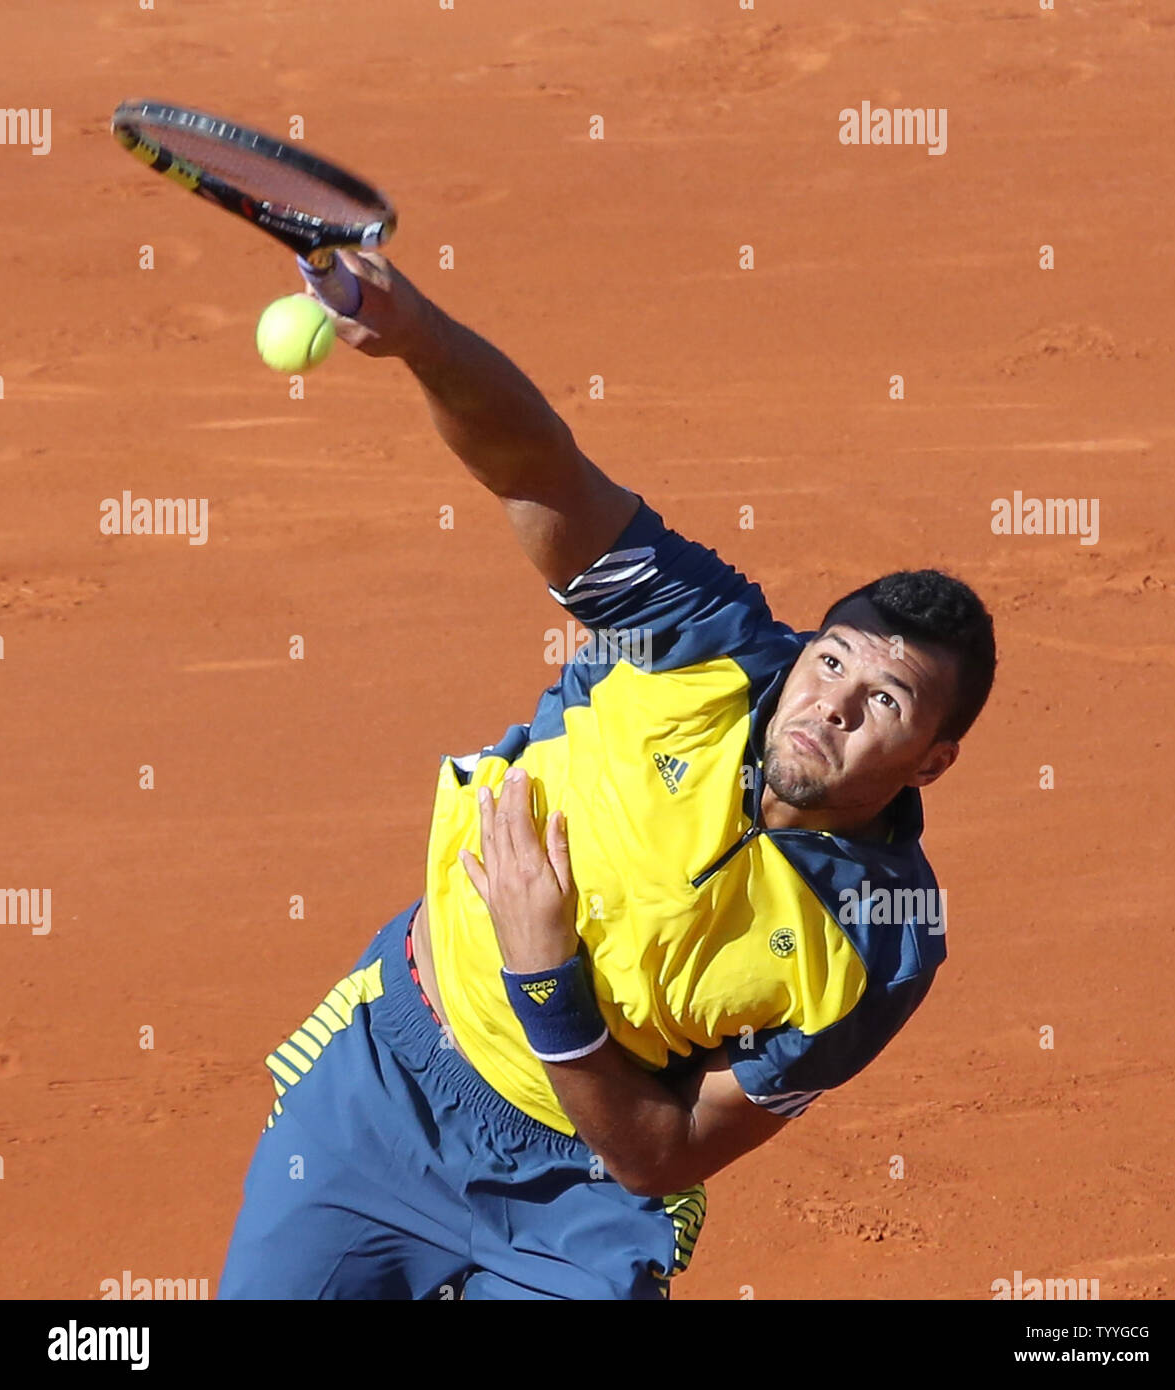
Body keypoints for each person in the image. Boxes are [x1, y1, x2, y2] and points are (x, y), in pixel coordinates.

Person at [218, 252, 997, 1301]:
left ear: (933, 761)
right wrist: (418, 337)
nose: (833, 704)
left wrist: (546, 980)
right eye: (830, 658)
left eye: (886, 702)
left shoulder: (880, 936)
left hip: (585, 1190)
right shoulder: (695, 640)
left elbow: (661, 1154)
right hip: (387, 1085)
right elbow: (536, 469)